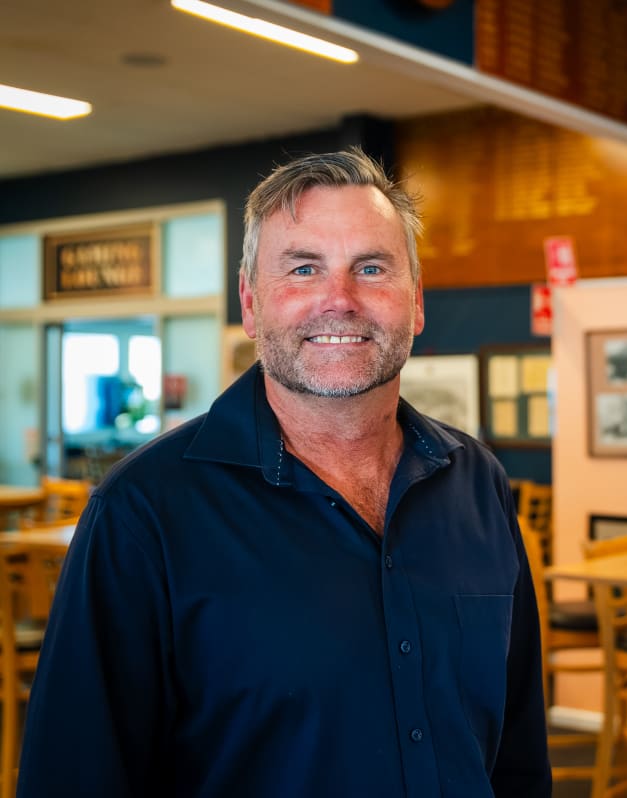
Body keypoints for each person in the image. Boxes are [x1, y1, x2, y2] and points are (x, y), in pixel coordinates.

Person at [18, 148, 552, 798]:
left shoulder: (477, 483)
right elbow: (73, 776)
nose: (340, 299)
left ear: (415, 302)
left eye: (371, 268)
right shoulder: (143, 513)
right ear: (251, 304)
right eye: (303, 269)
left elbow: (517, 753)